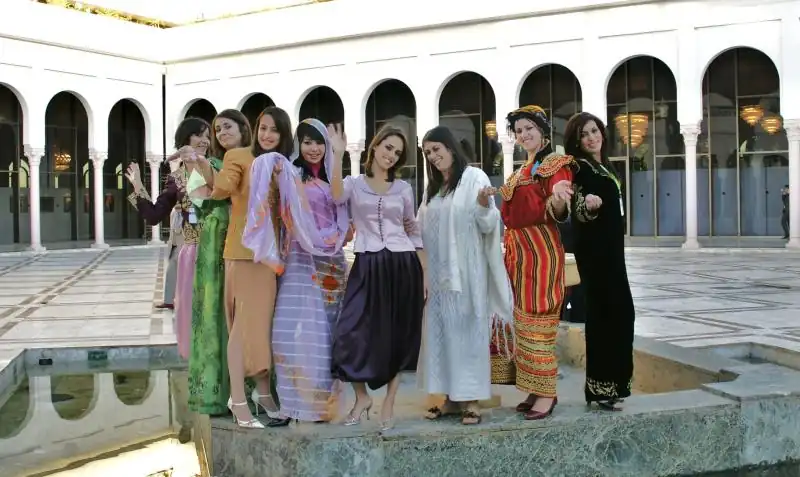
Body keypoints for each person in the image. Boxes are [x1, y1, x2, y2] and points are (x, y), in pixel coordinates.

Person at [251, 118, 350, 426]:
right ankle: (292, 403)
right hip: (297, 260)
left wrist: (339, 153)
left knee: (325, 335)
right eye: (307, 142)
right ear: (298, 144)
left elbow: (338, 200)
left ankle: (320, 405)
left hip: (329, 263)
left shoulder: (334, 179)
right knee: (288, 331)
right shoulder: (290, 174)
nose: (314, 149)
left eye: (319, 142)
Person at [415, 126, 513, 426]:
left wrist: (484, 206)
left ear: (450, 146)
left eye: (437, 149)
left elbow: (489, 224)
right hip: (439, 279)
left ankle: (470, 400)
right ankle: (448, 398)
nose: (433, 156)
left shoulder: (474, 178)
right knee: (442, 336)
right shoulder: (433, 187)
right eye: (428, 152)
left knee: (468, 335)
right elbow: (420, 227)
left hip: (467, 276)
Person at [330, 124, 425, 430]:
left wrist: (424, 273)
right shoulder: (354, 183)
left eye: (397, 153)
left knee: (398, 336)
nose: (391, 156)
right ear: (375, 146)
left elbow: (412, 227)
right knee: (349, 330)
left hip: (402, 264)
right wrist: (337, 154)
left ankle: (388, 403)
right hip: (368, 263)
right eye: (388, 148)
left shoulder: (404, 188)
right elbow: (334, 195)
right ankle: (362, 397)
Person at [498, 105, 576, 420]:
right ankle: (533, 386)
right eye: (519, 131)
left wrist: (558, 198)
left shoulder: (555, 164)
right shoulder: (520, 171)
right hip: (517, 251)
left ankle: (547, 392)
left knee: (538, 317)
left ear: (543, 130)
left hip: (540, 249)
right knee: (521, 320)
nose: (524, 135)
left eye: (529, 128)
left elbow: (560, 210)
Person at [564, 112, 635, 411]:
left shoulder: (604, 167)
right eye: (584, 134)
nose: (592, 137)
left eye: (594, 131)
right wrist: (588, 206)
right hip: (595, 256)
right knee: (605, 316)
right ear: (576, 142)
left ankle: (614, 385)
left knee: (621, 314)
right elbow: (577, 208)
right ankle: (600, 387)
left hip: (612, 254)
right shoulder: (579, 169)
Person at [125, 117, 211, 360]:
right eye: (199, 135)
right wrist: (138, 187)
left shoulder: (217, 166)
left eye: (207, 135)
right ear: (186, 140)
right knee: (195, 315)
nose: (204, 140)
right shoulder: (177, 178)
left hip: (221, 250)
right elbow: (153, 215)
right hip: (193, 254)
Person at [185, 109, 253, 417]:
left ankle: (250, 388)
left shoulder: (254, 159)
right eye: (216, 129)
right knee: (215, 311)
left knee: (245, 313)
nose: (220, 132)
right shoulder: (206, 164)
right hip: (212, 241)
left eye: (227, 126)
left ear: (242, 128)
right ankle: (218, 391)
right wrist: (194, 166)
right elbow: (199, 199)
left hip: (245, 239)